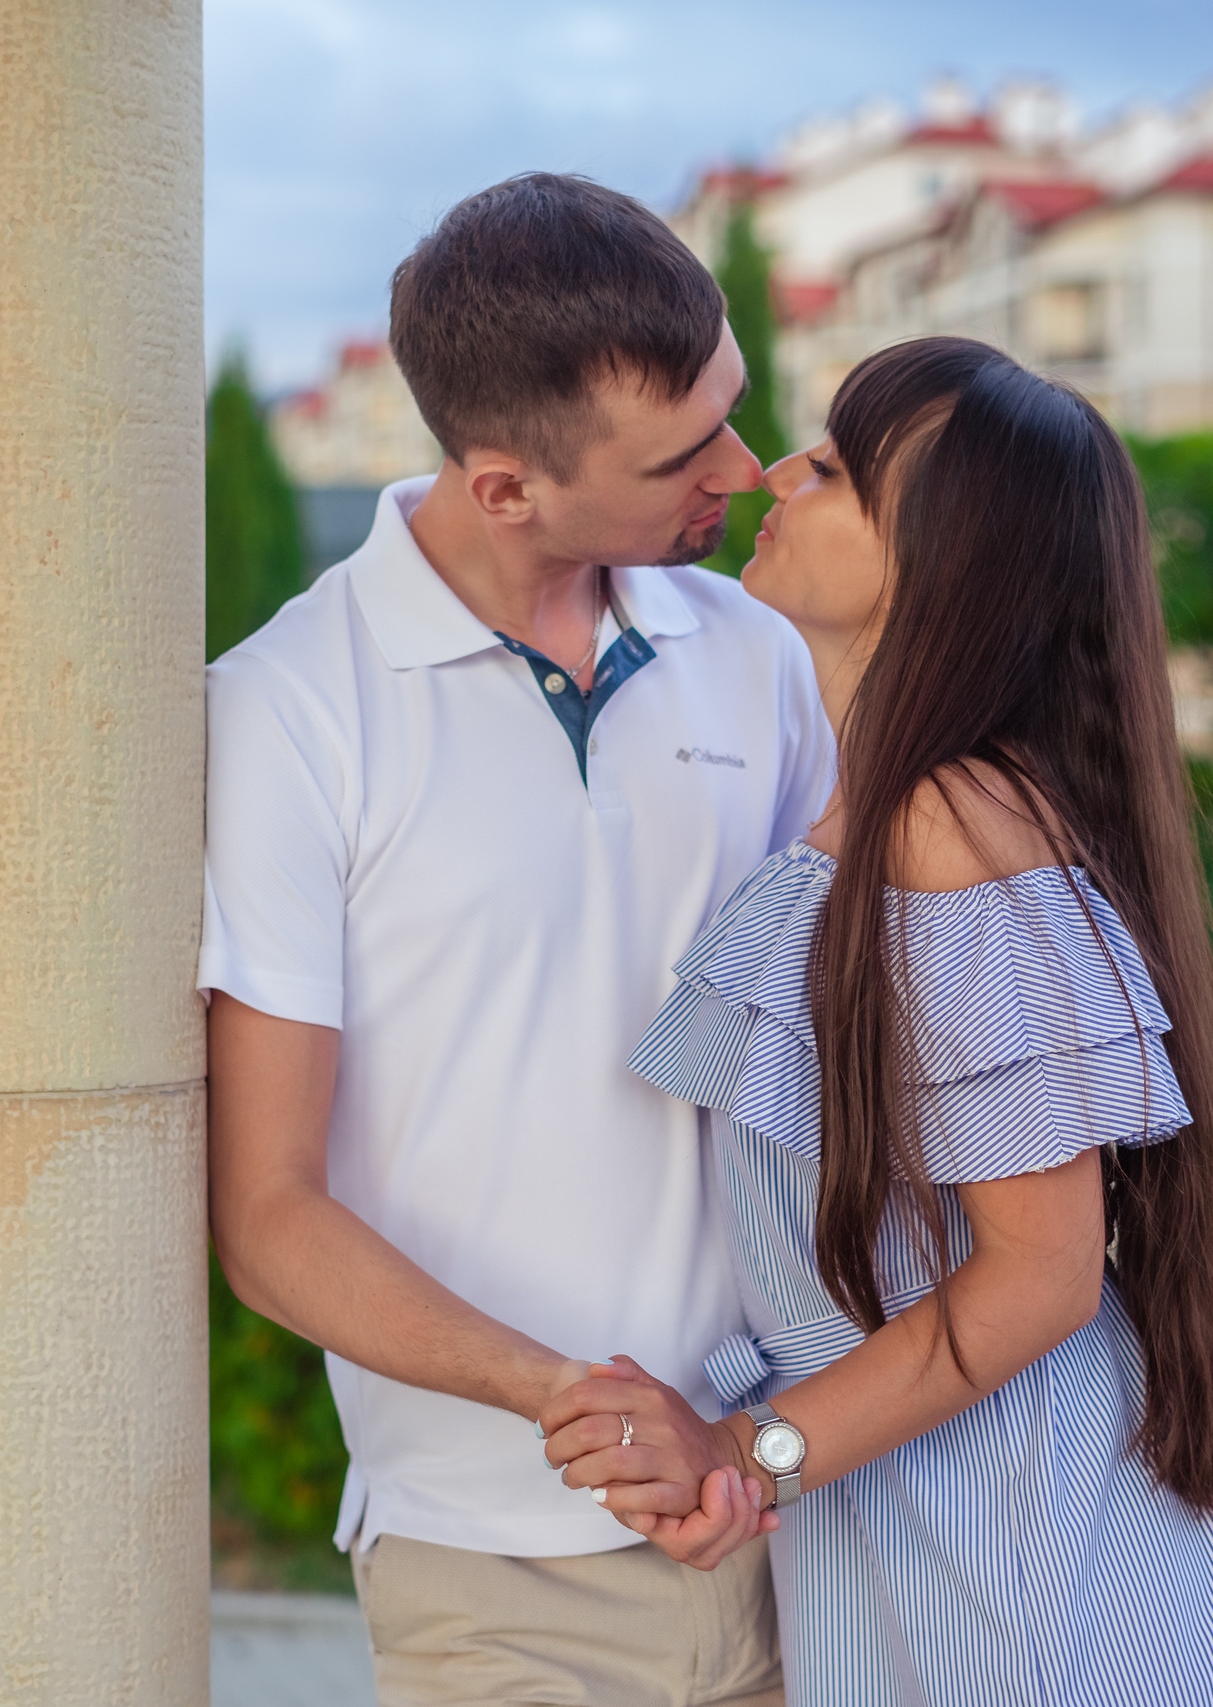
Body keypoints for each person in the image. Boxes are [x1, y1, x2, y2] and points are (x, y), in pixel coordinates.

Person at [541, 336, 1213, 1706]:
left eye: (831, 469)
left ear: (941, 563)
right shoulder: (894, 811)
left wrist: (747, 1450)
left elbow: (1040, 1273)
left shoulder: (947, 827)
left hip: (1001, 1529)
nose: (776, 472)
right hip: (927, 1496)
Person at [202, 172, 834, 1707]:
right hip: (492, 1578)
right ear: (504, 489)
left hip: (803, 1530)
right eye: (683, 454)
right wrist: (574, 1403)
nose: (743, 472)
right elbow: (269, 1216)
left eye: (734, 409)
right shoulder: (287, 711)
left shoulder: (759, 656)